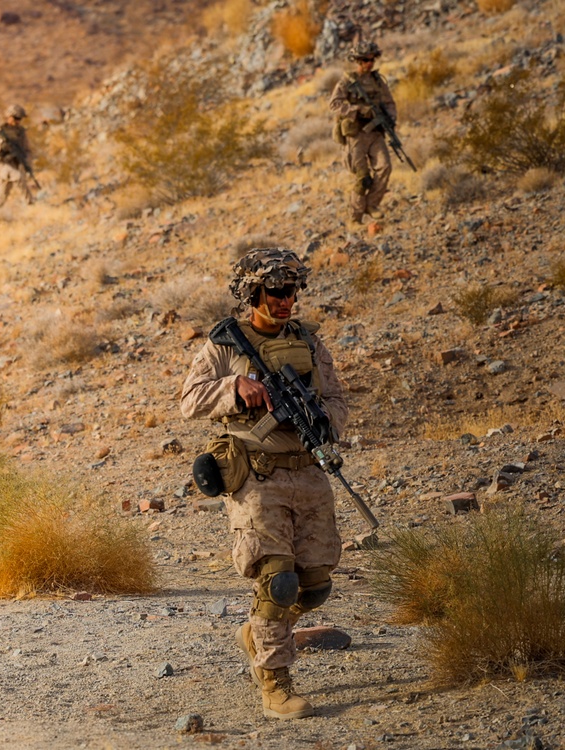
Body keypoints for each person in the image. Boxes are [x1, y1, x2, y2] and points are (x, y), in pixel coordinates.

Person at [180, 247, 348, 720]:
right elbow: (190, 401)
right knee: (278, 582)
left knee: (313, 585)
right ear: (253, 293)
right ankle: (275, 683)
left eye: (291, 290)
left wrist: (322, 421)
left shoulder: (309, 343)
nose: (286, 300)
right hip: (257, 475)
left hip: (308, 471)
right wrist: (233, 389)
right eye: (276, 291)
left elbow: (337, 398)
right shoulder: (225, 346)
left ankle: (258, 632)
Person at [329, 40, 397, 225]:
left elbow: (389, 103)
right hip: (356, 134)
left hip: (375, 133)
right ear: (358, 61)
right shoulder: (347, 81)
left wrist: (390, 119)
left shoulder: (378, 81)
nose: (370, 63)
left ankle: (372, 204)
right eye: (366, 59)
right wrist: (358, 110)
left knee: (385, 167)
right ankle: (355, 217)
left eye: (372, 59)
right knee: (363, 178)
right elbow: (334, 105)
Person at [0, 104, 36, 211]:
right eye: (16, 118)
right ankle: (31, 203)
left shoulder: (20, 132)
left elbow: (27, 150)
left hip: (13, 163)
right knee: (17, 176)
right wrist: (0, 145)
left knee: (4, 192)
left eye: (20, 119)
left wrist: (27, 163)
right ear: (9, 116)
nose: (18, 121)